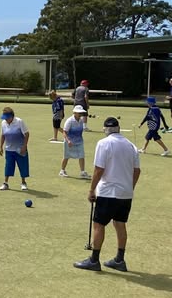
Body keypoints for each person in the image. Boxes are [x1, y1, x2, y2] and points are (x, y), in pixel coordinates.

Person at [74, 116, 140, 272]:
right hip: (125, 193)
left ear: (106, 130)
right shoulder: (131, 146)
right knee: (120, 223)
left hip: (108, 192)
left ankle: (94, 260)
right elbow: (137, 170)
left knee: (98, 224)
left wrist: (91, 190)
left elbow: (99, 169)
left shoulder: (103, 143)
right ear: (118, 128)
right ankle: (119, 260)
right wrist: (129, 187)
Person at [0, 107, 30, 191]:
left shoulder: (19, 122)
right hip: (9, 149)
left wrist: (24, 146)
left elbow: (26, 134)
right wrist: (1, 147)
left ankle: (23, 183)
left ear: (12, 116)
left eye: (7, 118)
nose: (5, 120)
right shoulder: (3, 123)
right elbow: (3, 135)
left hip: (20, 149)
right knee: (8, 167)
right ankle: (5, 183)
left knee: (23, 166)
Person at [60, 105, 90, 178]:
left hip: (79, 141)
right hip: (69, 142)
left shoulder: (81, 120)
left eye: (81, 113)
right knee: (66, 156)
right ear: (74, 112)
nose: (80, 114)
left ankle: (82, 172)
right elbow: (64, 132)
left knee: (81, 156)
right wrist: (68, 141)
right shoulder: (69, 121)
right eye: (79, 113)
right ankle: (62, 171)